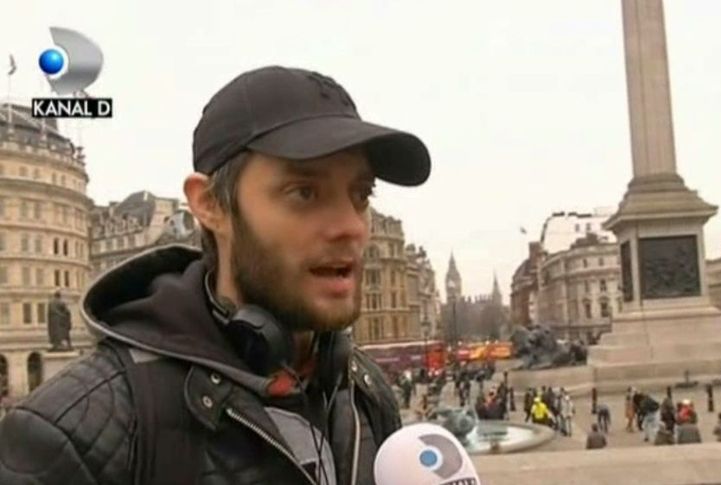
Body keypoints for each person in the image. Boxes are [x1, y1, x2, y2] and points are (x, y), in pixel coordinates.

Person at [0, 66, 432, 485]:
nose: (351, 227)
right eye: (304, 192)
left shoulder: (365, 393)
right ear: (210, 205)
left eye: (361, 194)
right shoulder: (68, 437)